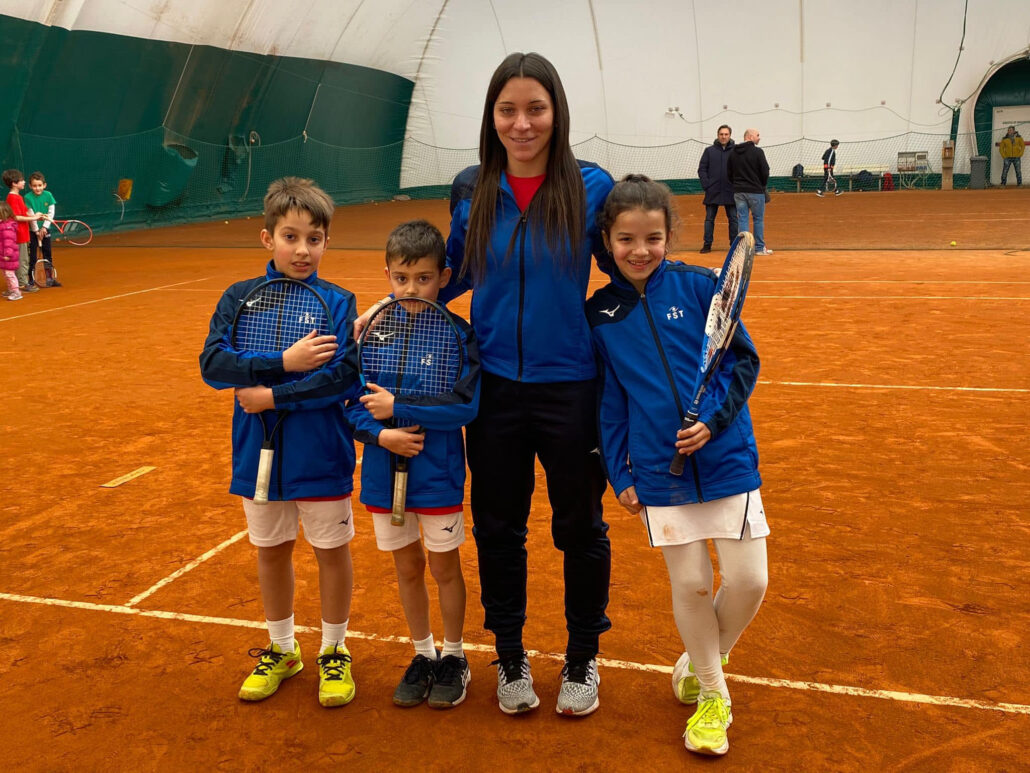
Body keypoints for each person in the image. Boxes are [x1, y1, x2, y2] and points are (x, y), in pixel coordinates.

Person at [358, 52, 615, 718]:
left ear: (556, 112)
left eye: (536, 108)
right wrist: (389, 309)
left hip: (571, 389)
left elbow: (628, 273)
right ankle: (509, 656)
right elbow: (459, 274)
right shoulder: (472, 187)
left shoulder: (592, 186)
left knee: (580, 527)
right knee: (499, 529)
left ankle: (584, 654)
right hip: (494, 388)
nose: (522, 123)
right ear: (491, 116)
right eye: (508, 110)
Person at [587, 174, 769, 756]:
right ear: (608, 240)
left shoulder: (699, 287)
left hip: (726, 458)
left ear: (668, 235)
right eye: (626, 239)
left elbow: (742, 362)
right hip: (657, 471)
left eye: (653, 237)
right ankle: (713, 695)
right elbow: (610, 403)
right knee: (690, 585)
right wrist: (622, 474)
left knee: (749, 581)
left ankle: (701, 659)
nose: (640, 250)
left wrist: (712, 422)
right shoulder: (603, 314)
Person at [199, 177, 363, 708]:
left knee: (331, 553)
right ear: (267, 238)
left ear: (326, 243)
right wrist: (282, 364)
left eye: (314, 238)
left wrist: (273, 396)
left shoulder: (339, 302)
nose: (302, 249)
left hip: (321, 453)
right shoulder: (238, 297)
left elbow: (342, 379)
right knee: (271, 552)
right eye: (291, 236)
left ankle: (334, 651)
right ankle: (283, 648)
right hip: (258, 454)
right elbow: (213, 364)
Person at [348, 219, 481, 710]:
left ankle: (454, 655)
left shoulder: (459, 333)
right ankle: (423, 653)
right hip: (384, 477)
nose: (411, 288)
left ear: (443, 276)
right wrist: (381, 432)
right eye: (401, 278)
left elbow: (465, 408)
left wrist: (400, 406)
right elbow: (351, 404)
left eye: (423, 278)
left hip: (438, 476)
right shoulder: (371, 333)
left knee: (445, 568)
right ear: (387, 274)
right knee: (407, 568)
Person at [727, 129, 772, 255]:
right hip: (756, 191)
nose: (759, 138)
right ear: (750, 137)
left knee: (742, 219)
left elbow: (729, 173)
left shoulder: (733, 153)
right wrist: (761, 185)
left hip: (739, 192)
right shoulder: (758, 152)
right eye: (758, 135)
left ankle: (744, 249)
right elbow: (765, 171)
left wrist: (736, 185)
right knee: (758, 219)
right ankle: (759, 248)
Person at [697, 125, 738, 253]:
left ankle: (734, 245)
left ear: (730, 135)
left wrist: (736, 185)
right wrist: (707, 185)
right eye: (721, 134)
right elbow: (702, 169)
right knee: (709, 219)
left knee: (733, 219)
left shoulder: (736, 151)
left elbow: (741, 168)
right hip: (712, 191)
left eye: (726, 134)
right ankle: (707, 244)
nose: (723, 136)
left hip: (730, 191)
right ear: (717, 135)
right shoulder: (709, 151)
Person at [3, 170, 43, 293]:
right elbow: (16, 217)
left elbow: (24, 213)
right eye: (21, 180)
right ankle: (22, 283)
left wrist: (37, 215)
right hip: (18, 234)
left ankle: (16, 283)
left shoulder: (17, 197)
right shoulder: (13, 198)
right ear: (15, 183)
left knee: (22, 259)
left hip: (22, 233)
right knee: (22, 260)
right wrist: (34, 218)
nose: (24, 182)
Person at [24, 171, 61, 287]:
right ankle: (30, 280)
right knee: (33, 257)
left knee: (47, 254)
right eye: (34, 186)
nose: (37, 188)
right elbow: (31, 215)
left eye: (39, 185)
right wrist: (36, 231)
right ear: (30, 186)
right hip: (32, 232)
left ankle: (50, 279)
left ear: (44, 185)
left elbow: (51, 212)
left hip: (45, 230)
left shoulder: (48, 195)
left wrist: (44, 227)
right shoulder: (27, 198)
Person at [0, 201, 22, 301]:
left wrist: (7, 254)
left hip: (8, 256)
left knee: (10, 274)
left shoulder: (7, 227)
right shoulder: (2, 225)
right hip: (3, 256)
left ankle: (16, 292)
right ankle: (10, 289)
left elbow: (8, 241)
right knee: (6, 274)